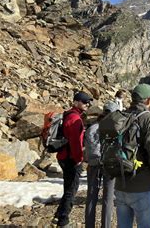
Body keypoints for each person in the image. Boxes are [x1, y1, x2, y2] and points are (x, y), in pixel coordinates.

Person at [114, 84, 150, 228]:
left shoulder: (120, 116)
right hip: (142, 184)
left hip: (120, 182)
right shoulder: (149, 119)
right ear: (148, 100)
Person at [53, 92, 93, 227]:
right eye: (84, 102)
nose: (87, 104)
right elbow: (75, 142)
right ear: (76, 102)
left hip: (63, 156)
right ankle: (63, 220)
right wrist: (79, 159)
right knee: (72, 189)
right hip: (70, 158)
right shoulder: (74, 119)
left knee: (68, 186)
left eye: (88, 102)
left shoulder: (68, 115)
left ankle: (59, 214)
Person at [84, 101, 118, 228]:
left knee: (91, 196)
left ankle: (89, 225)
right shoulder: (115, 128)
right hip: (109, 165)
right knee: (108, 198)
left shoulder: (93, 127)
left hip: (93, 164)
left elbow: (88, 148)